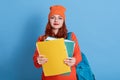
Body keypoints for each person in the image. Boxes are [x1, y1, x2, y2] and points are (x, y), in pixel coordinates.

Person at [33, 5, 82, 80]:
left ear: (63, 21)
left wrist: (74, 60)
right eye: (53, 18)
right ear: (49, 20)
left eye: (60, 18)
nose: (56, 20)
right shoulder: (42, 39)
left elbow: (78, 56)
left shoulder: (71, 36)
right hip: (49, 78)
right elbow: (36, 64)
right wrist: (38, 60)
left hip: (69, 78)